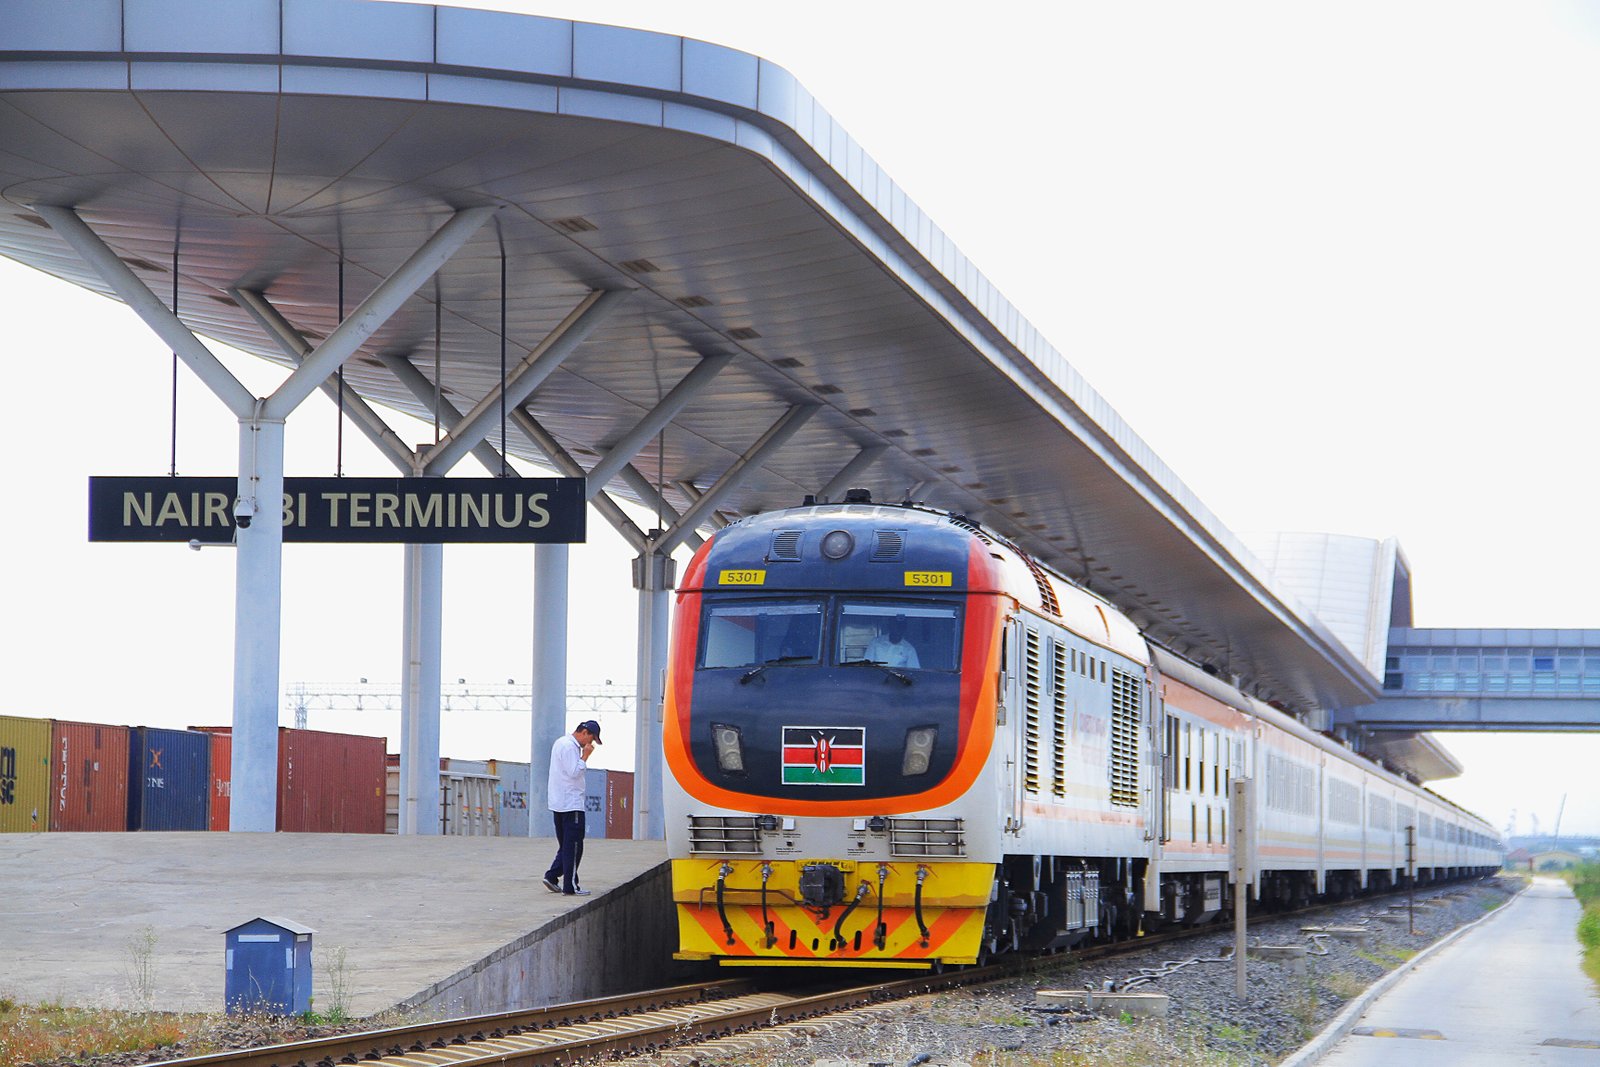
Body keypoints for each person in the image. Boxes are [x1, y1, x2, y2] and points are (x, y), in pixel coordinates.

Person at [543, 719, 601, 896]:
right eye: (591, 739)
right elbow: (574, 772)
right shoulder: (570, 747)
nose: (590, 744)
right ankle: (570, 886)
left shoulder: (561, 743)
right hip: (571, 804)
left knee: (566, 845)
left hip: (559, 803)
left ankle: (552, 876)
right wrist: (585, 756)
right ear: (584, 732)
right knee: (575, 846)